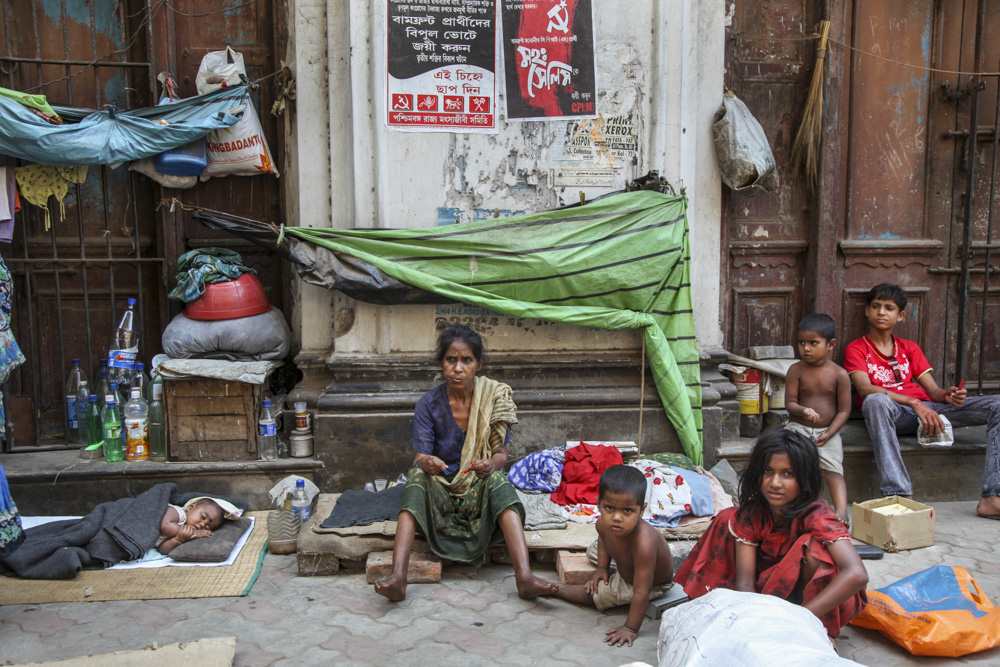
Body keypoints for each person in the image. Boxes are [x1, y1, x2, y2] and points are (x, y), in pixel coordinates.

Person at [374, 324, 558, 601]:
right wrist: (427, 462)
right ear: (441, 364)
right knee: (415, 479)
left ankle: (525, 577)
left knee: (499, 480)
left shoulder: (492, 398)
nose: (458, 368)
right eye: (451, 360)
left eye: (466, 360)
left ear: (478, 364)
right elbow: (418, 459)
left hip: (476, 482)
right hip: (441, 484)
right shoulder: (428, 404)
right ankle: (398, 576)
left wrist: (491, 465)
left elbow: (501, 455)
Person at [673, 428, 868, 637]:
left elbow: (856, 574)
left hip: (813, 606)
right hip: (768, 596)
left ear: (806, 480)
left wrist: (801, 619)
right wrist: (753, 622)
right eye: (768, 471)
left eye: (788, 474)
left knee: (815, 549)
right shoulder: (753, 515)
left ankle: (821, 631)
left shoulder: (818, 515)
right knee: (727, 517)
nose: (775, 483)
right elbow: (745, 583)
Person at [843, 283, 1000, 519]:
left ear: (901, 315)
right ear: (867, 311)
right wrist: (913, 402)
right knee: (875, 401)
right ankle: (899, 494)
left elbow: (933, 392)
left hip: (929, 411)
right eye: (876, 306)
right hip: (895, 414)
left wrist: (947, 396)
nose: (881, 312)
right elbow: (864, 388)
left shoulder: (909, 348)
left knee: (998, 405)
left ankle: (992, 497)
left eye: (889, 308)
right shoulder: (856, 349)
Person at [552, 465, 674, 647]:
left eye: (627, 511)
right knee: (591, 551)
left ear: (641, 510)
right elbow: (602, 539)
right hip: (625, 561)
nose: (617, 517)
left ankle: (553, 589)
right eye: (609, 508)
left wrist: (630, 628)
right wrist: (602, 568)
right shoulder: (602, 524)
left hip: (647, 582)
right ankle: (608, 567)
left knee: (600, 594)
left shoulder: (644, 545)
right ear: (598, 504)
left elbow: (641, 591)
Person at [784, 313, 852, 523]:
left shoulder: (839, 374)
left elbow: (844, 411)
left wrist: (830, 433)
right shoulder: (796, 370)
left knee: (833, 470)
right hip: (799, 428)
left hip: (828, 432)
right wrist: (803, 410)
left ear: (830, 344)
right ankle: (794, 508)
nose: (806, 348)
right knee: (792, 464)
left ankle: (841, 514)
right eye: (802, 343)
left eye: (813, 343)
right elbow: (790, 403)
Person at [156, 498, 224, 555]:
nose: (202, 525)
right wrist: (194, 533)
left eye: (207, 527)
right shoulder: (178, 512)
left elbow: (162, 550)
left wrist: (178, 540)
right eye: (203, 517)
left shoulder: (184, 535)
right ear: (190, 507)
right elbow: (166, 525)